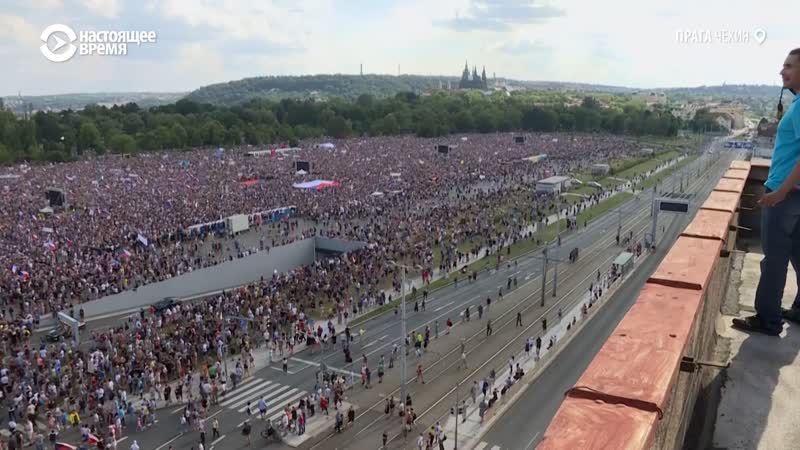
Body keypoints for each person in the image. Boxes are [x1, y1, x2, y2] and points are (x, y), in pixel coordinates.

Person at [732, 48, 800, 335]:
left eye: (789, 66)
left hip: (787, 192)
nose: (782, 71)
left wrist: (781, 191)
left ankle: (768, 319)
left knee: (774, 258)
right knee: (797, 253)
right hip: (794, 192)